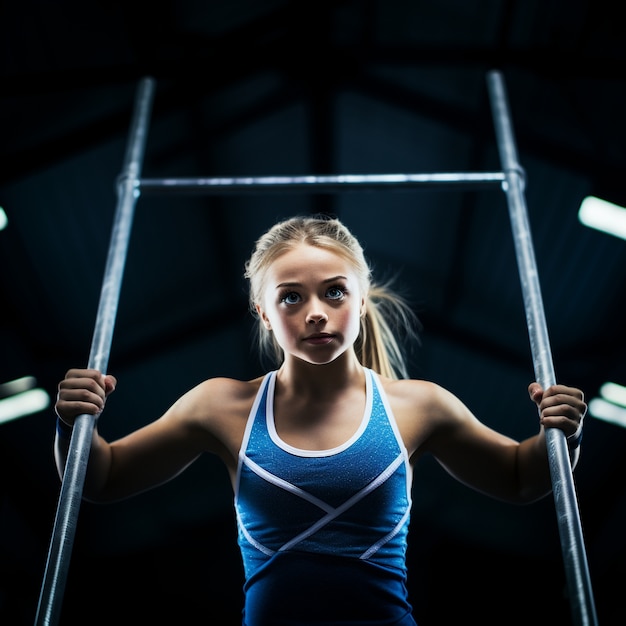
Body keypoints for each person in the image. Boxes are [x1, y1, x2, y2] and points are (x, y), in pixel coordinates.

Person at [54, 214, 586, 626]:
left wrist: (559, 435)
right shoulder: (220, 407)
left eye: (334, 291)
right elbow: (101, 479)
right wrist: (74, 424)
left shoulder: (418, 406)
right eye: (290, 297)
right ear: (263, 312)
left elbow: (521, 477)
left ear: (359, 299)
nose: (315, 311)